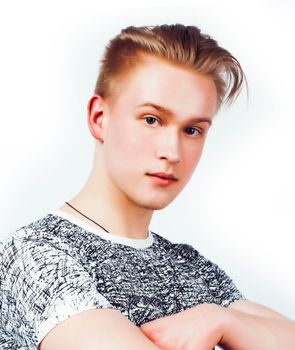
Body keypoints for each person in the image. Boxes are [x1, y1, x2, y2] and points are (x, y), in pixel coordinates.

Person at [0, 24, 294, 350]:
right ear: (99, 117)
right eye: (152, 119)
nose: (172, 151)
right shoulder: (33, 254)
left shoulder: (190, 267)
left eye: (193, 130)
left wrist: (221, 319)